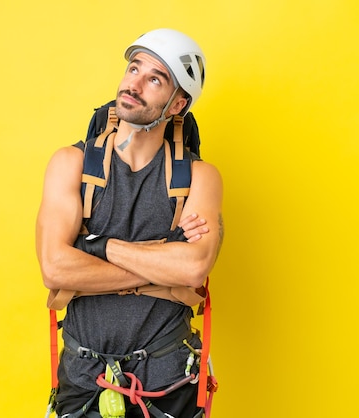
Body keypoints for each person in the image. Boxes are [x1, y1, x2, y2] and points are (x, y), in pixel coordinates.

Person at [36, 28, 223, 418]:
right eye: (133, 68)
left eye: (155, 79)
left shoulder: (198, 178)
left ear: (177, 105)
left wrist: (98, 246)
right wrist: (159, 267)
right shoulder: (71, 164)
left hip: (168, 380)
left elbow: (192, 267)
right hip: (84, 379)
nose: (133, 83)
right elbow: (54, 268)